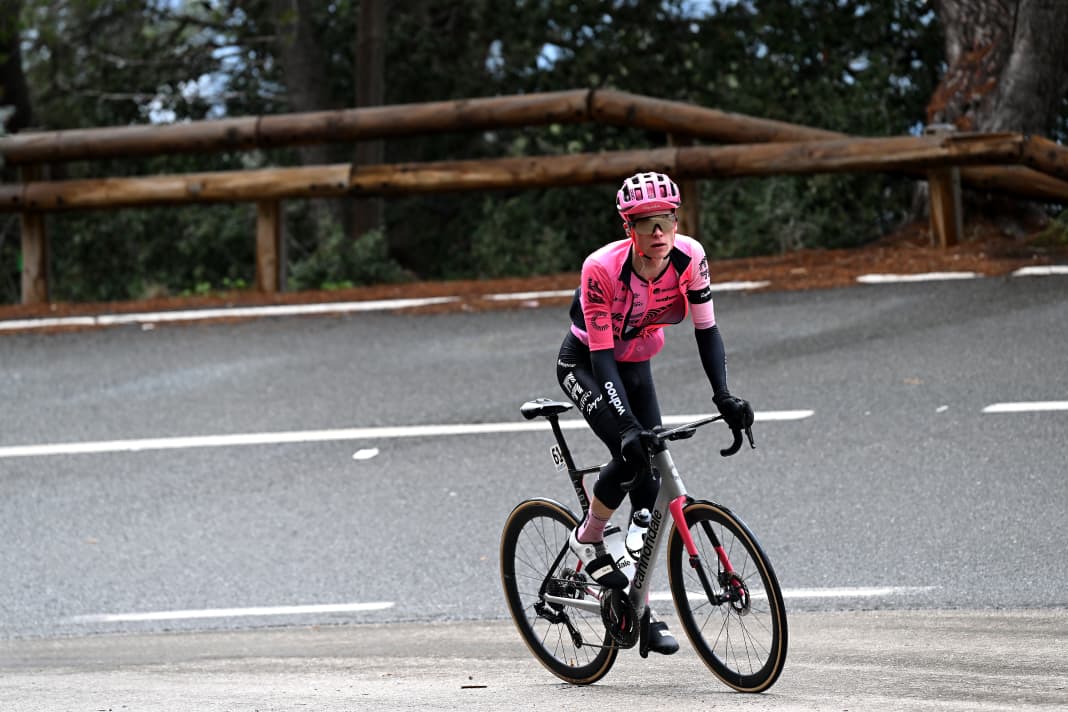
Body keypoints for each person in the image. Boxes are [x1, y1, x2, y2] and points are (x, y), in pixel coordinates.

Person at [556, 171, 754, 655]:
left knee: (650, 485)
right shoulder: (600, 268)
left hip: (638, 359)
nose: (659, 232)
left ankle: (632, 605)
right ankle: (588, 538)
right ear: (630, 229)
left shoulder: (691, 256)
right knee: (631, 457)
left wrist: (723, 395)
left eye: (666, 220)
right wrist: (625, 428)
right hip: (586, 363)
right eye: (647, 223)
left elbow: (707, 331)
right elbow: (602, 357)